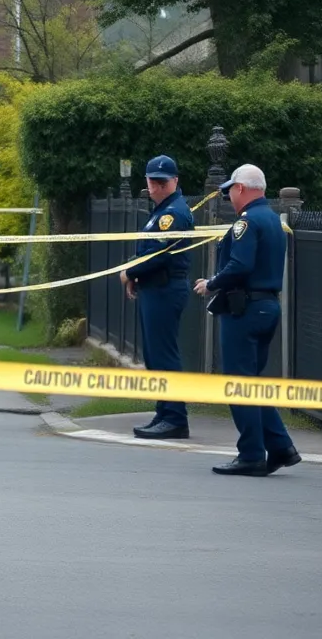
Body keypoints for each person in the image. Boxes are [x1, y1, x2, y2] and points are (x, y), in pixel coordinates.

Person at [194, 163, 301, 477]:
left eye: (230, 190)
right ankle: (281, 447)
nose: (228, 196)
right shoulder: (272, 219)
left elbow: (240, 265)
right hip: (267, 307)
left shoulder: (247, 222)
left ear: (241, 188)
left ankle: (251, 454)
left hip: (245, 310)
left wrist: (211, 283)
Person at [120, 154, 195, 440]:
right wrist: (137, 275)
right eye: (152, 180)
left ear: (174, 182)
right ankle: (164, 412)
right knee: (154, 355)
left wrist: (129, 272)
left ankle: (175, 417)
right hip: (154, 288)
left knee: (164, 354)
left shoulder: (172, 213)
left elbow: (159, 254)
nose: (156, 186)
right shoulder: (162, 211)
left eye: (162, 181)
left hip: (165, 288)